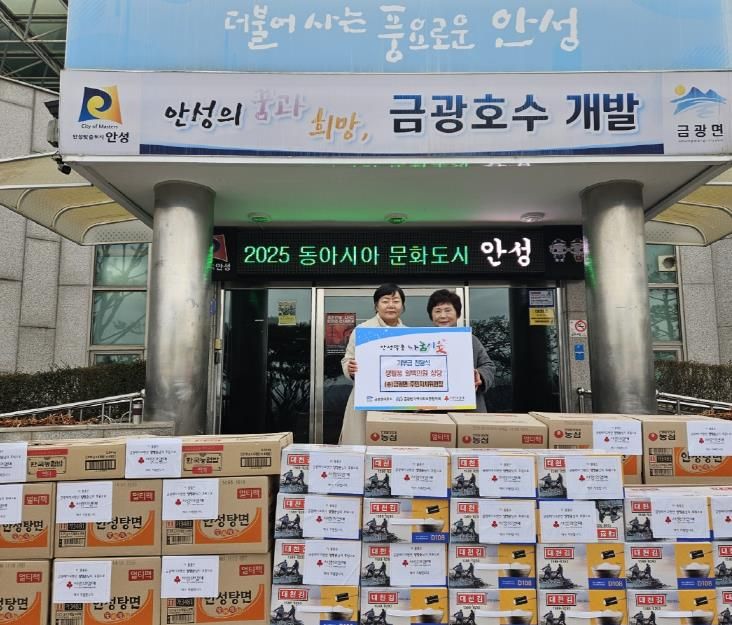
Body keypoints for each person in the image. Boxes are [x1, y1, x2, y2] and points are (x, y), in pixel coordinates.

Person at [339, 283, 406, 444]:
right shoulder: (362, 330)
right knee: (362, 442)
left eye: (396, 301)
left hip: (398, 399)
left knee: (394, 442)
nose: (391, 305)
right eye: (385, 301)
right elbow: (347, 359)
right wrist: (350, 369)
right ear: (376, 306)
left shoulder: (408, 333)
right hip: (367, 399)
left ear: (402, 306)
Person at [426, 289, 496, 411]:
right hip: (431, 411)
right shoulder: (422, 342)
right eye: (437, 311)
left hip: (468, 412)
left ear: (457, 314)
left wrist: (480, 375)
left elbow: (489, 366)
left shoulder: (470, 340)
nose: (443, 316)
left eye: (448, 310)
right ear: (431, 316)